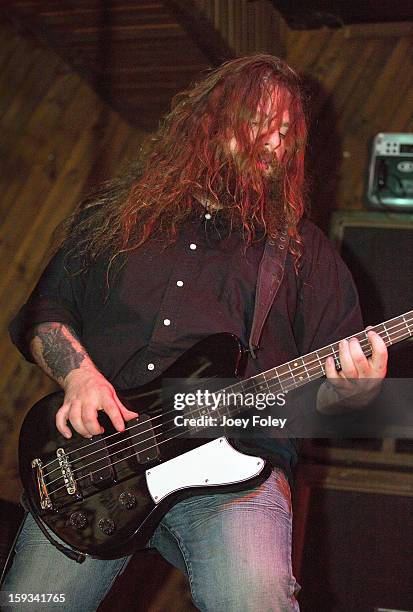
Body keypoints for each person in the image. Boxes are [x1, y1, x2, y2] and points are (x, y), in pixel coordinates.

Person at [3, 54, 387, 611]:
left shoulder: (303, 252)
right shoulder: (116, 217)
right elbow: (47, 311)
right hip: (94, 466)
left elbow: (339, 397)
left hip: (233, 473)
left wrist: (358, 391)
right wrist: (79, 375)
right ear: (211, 123)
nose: (274, 147)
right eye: (260, 125)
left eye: (285, 135)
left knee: (255, 601)